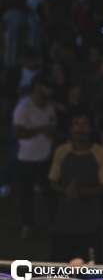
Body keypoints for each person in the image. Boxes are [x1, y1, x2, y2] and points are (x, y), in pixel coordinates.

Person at [48, 109, 103, 263]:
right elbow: (53, 181)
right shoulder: (62, 151)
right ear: (70, 128)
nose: (80, 129)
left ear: (90, 128)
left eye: (84, 124)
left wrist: (81, 191)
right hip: (64, 222)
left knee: (93, 270)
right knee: (59, 270)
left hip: (90, 224)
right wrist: (66, 191)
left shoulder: (99, 152)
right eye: (76, 124)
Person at [13, 75, 58, 239]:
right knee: (26, 195)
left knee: (51, 193)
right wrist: (40, 130)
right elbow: (18, 132)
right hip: (26, 159)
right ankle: (27, 225)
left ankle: (54, 224)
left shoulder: (50, 108)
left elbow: (53, 128)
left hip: (45, 158)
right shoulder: (24, 107)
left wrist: (50, 133)